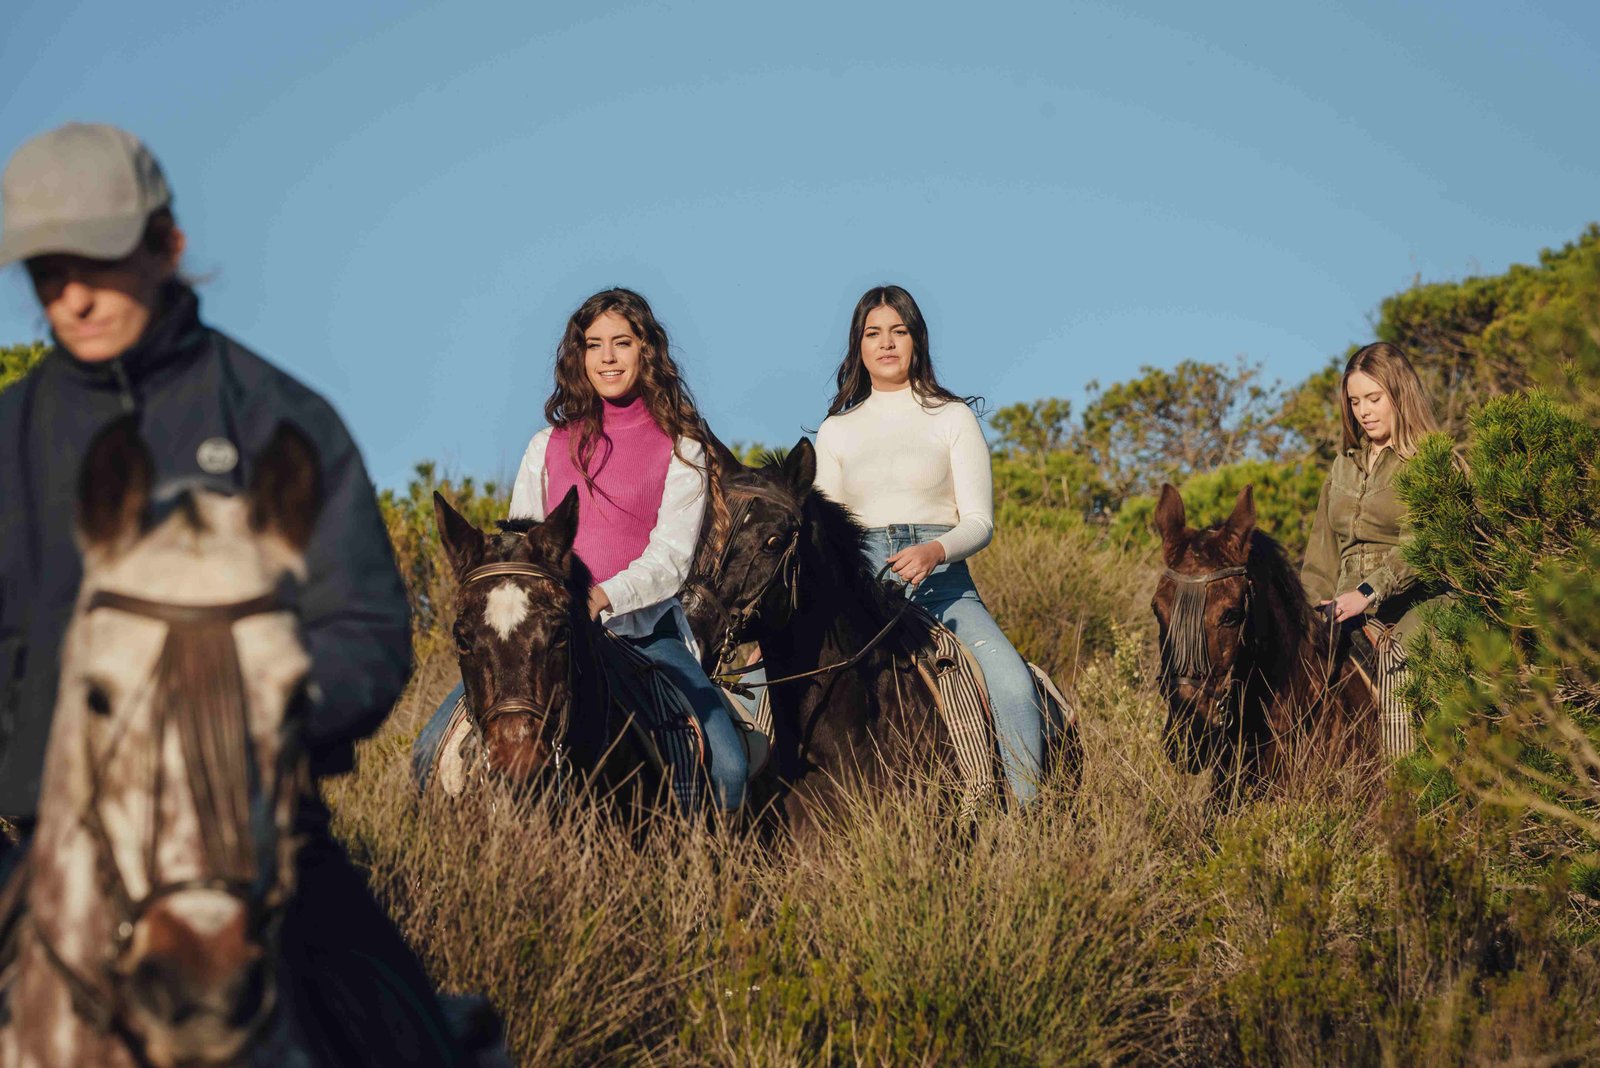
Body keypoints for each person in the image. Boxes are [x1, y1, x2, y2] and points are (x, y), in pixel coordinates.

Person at [0, 123, 465, 1064]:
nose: (72, 295)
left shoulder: (279, 420)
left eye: (96, 260)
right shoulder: (9, 435)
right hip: (40, 839)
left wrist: (251, 712)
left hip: (264, 846)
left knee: (415, 1032)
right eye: (47, 270)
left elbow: (369, 625)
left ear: (167, 246)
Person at [415, 288, 747, 812]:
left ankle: (709, 876)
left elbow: (672, 559)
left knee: (728, 768)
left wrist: (599, 598)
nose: (608, 358)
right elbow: (519, 549)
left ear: (647, 350)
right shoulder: (545, 446)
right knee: (427, 754)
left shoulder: (683, 449)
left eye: (622, 343)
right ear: (579, 356)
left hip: (645, 637)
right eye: (594, 345)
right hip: (541, 641)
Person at [813, 284, 1047, 805]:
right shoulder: (835, 431)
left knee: (1012, 686)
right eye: (873, 333)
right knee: (766, 680)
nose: (887, 343)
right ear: (859, 346)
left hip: (945, 588)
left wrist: (935, 551)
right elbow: (824, 535)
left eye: (898, 331)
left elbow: (980, 522)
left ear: (917, 340)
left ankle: (1027, 826)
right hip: (859, 584)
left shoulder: (952, 417)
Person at [1301, 341, 1442, 756]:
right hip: (1344, 602)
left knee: (1398, 663)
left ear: (1400, 393)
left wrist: (1365, 594)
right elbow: (1320, 554)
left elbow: (1422, 547)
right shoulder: (1342, 466)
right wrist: (1308, 609)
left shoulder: (1431, 461)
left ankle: (1406, 794)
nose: (1364, 411)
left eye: (1374, 398)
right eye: (1355, 401)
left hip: (1417, 602)